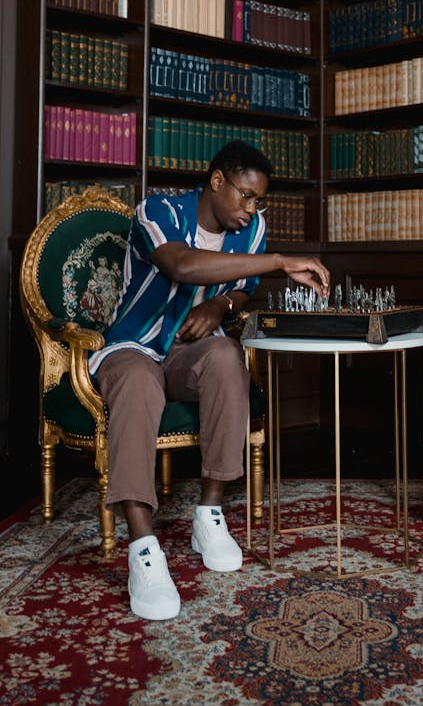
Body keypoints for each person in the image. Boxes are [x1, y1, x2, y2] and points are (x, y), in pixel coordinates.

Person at [88, 141, 330, 621]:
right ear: (216, 181)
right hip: (133, 345)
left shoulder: (253, 229)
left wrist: (221, 306)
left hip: (188, 353)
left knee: (225, 353)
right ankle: (143, 547)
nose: (251, 209)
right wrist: (280, 262)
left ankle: (209, 513)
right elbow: (182, 265)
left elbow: (241, 290)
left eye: (259, 200)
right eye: (244, 195)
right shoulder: (157, 210)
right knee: (137, 384)